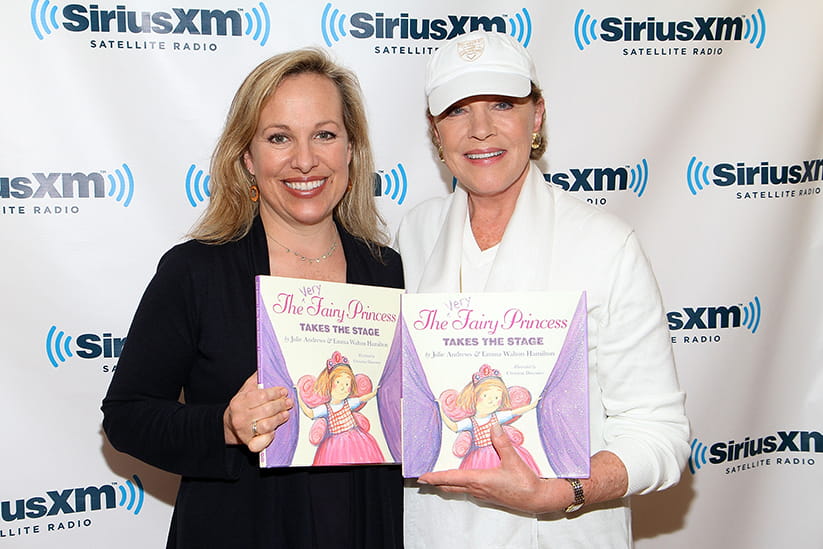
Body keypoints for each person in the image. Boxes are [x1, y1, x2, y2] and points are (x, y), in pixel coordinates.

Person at [396, 30, 689, 547]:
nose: (480, 130)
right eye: (458, 110)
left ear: (537, 115)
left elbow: (659, 434)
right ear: (434, 130)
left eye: (503, 104)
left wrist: (564, 491)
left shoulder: (606, 246)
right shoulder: (412, 233)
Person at [102, 48, 403, 549]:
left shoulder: (386, 270)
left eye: (325, 135)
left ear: (351, 150)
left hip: (363, 527)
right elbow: (127, 416)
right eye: (279, 137)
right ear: (247, 157)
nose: (305, 160)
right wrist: (223, 425)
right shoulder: (195, 270)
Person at [296, 350, 384, 465]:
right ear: (329, 384)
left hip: (356, 440)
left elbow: (362, 399)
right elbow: (310, 414)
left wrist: (374, 393)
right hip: (335, 445)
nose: (343, 387)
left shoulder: (349, 403)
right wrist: (298, 395)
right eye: (339, 382)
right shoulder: (326, 409)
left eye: (347, 384)